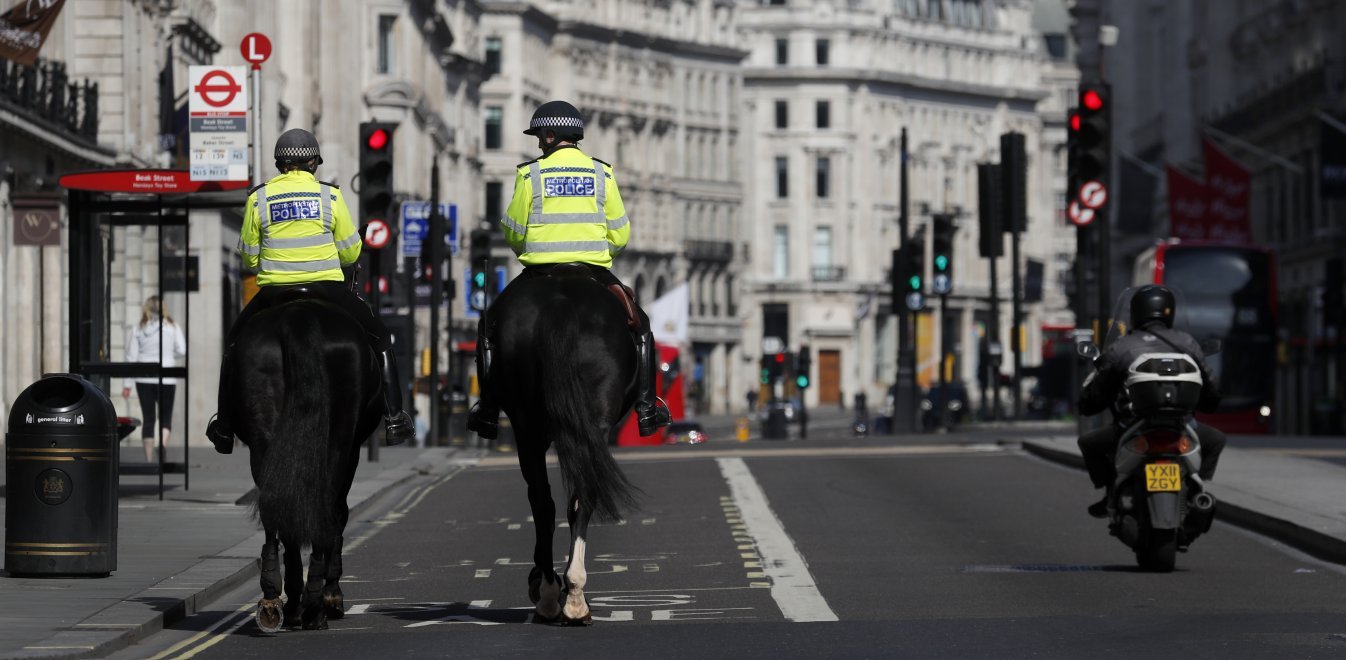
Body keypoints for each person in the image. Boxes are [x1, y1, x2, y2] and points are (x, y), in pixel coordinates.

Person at [466, 100, 671, 439]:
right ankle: (648, 407)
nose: (537, 143)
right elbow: (620, 232)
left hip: (539, 272)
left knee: (489, 326)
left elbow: (514, 229)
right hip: (592, 270)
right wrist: (601, 252)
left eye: (538, 137)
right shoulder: (602, 172)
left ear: (549, 135)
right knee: (641, 326)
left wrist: (526, 251)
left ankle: (488, 409)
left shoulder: (530, 173)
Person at [204, 128, 414, 453]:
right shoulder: (329, 196)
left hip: (275, 292)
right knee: (380, 338)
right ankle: (395, 418)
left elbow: (248, 253)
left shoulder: (258, 197)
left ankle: (225, 428)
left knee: (233, 345)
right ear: (314, 162)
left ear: (278, 163)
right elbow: (350, 252)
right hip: (327, 288)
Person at [1076, 284, 1227, 518]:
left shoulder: (1122, 346)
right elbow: (1210, 385)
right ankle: (1198, 490)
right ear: (1170, 311)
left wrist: (1088, 404)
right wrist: (1209, 403)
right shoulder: (1187, 342)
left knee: (1089, 443)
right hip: (1181, 426)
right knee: (1215, 440)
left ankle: (1109, 493)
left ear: (1136, 312)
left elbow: (1100, 388)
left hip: (1134, 425)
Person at [123, 295, 187, 463]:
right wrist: (168, 356)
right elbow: (182, 349)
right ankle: (163, 445)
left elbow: (131, 357)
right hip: (167, 377)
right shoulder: (172, 327)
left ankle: (149, 459)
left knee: (149, 418)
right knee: (166, 417)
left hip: (144, 377)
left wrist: (127, 384)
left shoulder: (139, 328)